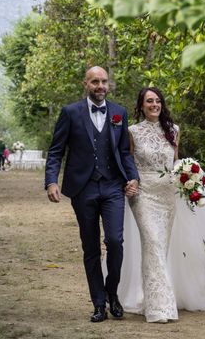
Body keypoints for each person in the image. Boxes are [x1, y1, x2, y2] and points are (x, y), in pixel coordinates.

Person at [119, 86, 205, 323]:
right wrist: (129, 183)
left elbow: (174, 162)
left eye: (158, 101)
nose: (154, 105)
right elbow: (127, 161)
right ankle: (160, 305)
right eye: (149, 101)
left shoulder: (174, 130)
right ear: (141, 105)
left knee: (161, 247)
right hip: (143, 195)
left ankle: (154, 294)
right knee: (151, 242)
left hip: (168, 196)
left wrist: (187, 177)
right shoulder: (132, 131)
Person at [44, 66, 140, 323]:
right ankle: (98, 303)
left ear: (109, 84)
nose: (100, 86)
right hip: (83, 188)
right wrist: (51, 181)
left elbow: (123, 152)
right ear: (86, 84)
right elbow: (56, 151)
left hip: (112, 187)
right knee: (91, 248)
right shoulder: (70, 112)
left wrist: (133, 177)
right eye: (95, 81)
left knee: (115, 241)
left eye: (104, 81)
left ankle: (113, 294)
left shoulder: (119, 112)